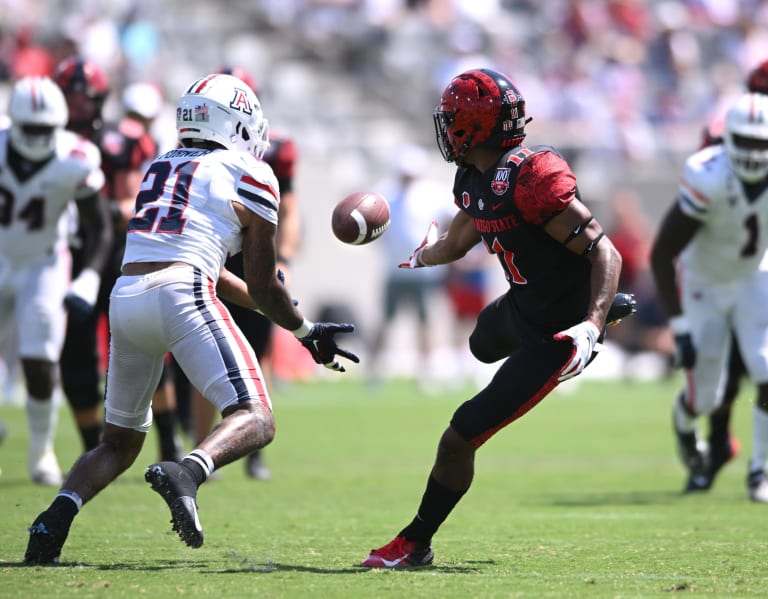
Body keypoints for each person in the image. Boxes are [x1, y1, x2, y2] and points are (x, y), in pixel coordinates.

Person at [24, 72, 358, 565]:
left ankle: (51, 521)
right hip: (182, 294)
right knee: (256, 417)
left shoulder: (160, 164)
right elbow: (263, 285)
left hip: (128, 296)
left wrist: (304, 330)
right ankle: (190, 470)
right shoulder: (250, 173)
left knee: (117, 443)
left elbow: (213, 271)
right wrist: (306, 331)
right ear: (236, 122)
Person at [359, 68, 624, 568]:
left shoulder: (532, 175)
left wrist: (590, 325)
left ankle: (415, 542)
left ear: (472, 126)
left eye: (452, 119)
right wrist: (424, 257)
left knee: (459, 437)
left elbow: (607, 255)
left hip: (558, 332)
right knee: (480, 344)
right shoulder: (473, 177)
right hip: (522, 305)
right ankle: (606, 309)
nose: (445, 128)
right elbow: (464, 235)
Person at [53, 57, 181, 461]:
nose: (78, 107)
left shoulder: (117, 140)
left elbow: (131, 203)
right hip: (63, 255)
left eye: (84, 98)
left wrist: (103, 208)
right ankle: (93, 449)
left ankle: (168, 441)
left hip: (118, 254)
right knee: (75, 353)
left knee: (144, 341)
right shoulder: (38, 140)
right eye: (71, 97)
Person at [182, 65, 302, 481]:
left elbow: (290, 208)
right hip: (212, 253)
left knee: (260, 349)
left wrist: (282, 257)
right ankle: (201, 449)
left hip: (254, 251)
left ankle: (251, 451)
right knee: (203, 356)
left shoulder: (277, 151)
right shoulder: (200, 152)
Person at [650, 91, 768, 503]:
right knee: (706, 397)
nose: (754, 152)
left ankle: (761, 472)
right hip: (704, 284)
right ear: (729, 138)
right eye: (747, 141)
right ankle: (685, 427)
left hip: (753, 275)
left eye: (762, 142)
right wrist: (679, 326)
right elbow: (662, 252)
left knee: (766, 367)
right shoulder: (709, 174)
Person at [0, 76, 112, 485]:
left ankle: (40, 451)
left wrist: (89, 276)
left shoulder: (75, 157)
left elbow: (99, 228)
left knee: (40, 362)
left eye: (44, 130)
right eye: (29, 129)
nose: (36, 137)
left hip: (44, 262)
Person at [367, 144, 451, 385]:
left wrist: (441, 250)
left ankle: (425, 372)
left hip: (425, 270)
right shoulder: (386, 192)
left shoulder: (434, 193)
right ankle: (374, 371)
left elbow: (450, 220)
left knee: (425, 321)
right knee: (385, 320)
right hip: (395, 268)